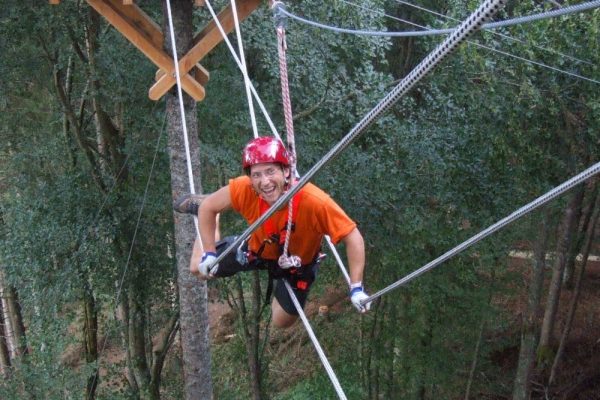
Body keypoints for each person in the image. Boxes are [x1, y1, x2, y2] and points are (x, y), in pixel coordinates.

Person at [174, 136, 370, 328]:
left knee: (281, 322)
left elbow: (353, 237)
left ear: (286, 171)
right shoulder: (245, 188)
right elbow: (207, 207)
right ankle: (213, 220)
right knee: (196, 268)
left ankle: (280, 280)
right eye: (256, 175)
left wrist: (356, 287)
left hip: (297, 263)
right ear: (250, 177)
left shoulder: (315, 202)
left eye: (270, 171)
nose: (264, 182)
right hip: (257, 249)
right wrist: (209, 253)